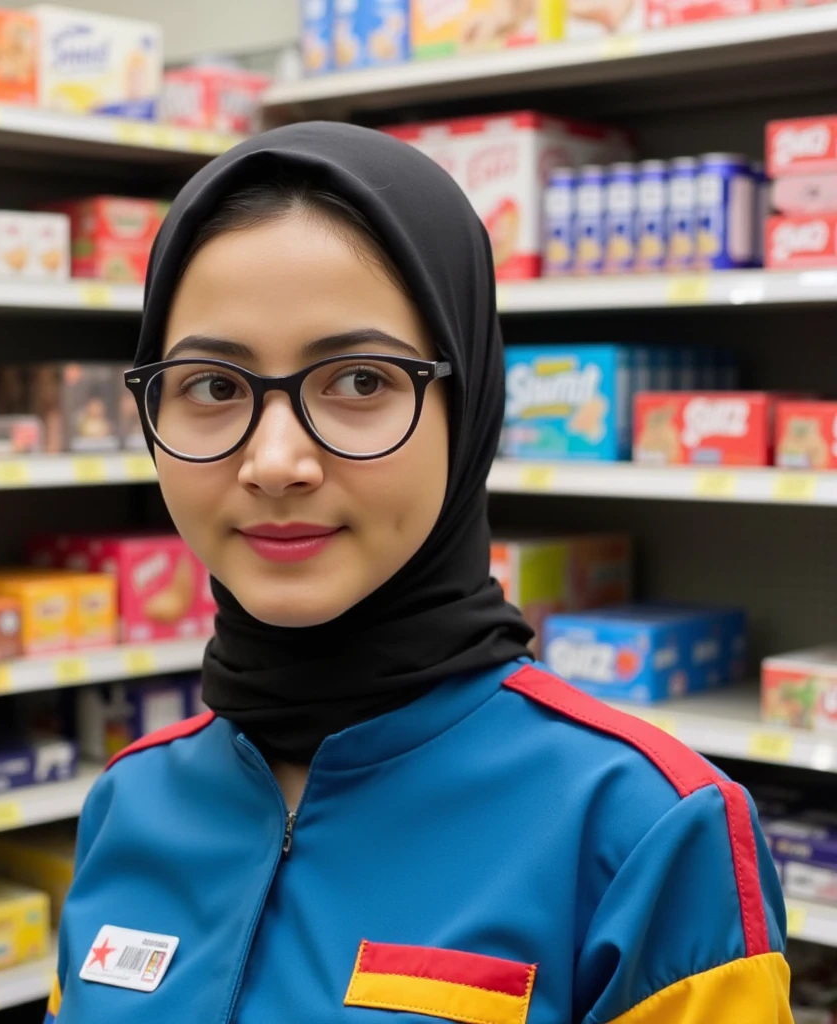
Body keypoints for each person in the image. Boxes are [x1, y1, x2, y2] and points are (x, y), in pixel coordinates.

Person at [46, 122, 793, 1024]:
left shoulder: (648, 830)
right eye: (212, 386)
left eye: (359, 382)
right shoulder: (128, 803)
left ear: (467, 404)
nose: (275, 461)